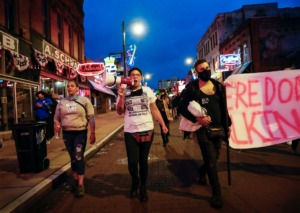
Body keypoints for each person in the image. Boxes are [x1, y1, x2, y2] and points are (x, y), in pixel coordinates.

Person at [178, 59, 231, 209]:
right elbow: (182, 108)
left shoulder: (218, 86)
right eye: (202, 69)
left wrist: (229, 125)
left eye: (207, 68)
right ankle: (216, 194)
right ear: (197, 72)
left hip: (219, 128)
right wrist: (197, 119)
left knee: (214, 158)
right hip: (203, 131)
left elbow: (224, 107)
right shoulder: (191, 88)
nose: (206, 71)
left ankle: (202, 171)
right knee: (211, 160)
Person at [116, 67, 168, 202]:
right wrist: (121, 97)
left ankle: (143, 187)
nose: (135, 77)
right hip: (130, 131)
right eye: (132, 74)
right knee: (132, 163)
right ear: (128, 78)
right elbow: (120, 111)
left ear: (141, 77)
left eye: (137, 75)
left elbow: (154, 109)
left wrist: (163, 124)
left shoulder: (147, 91)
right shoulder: (124, 91)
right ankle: (135, 181)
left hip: (147, 129)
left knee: (143, 161)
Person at [53, 80, 95, 198]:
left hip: (80, 133)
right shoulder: (62, 102)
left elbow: (91, 118)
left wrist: (93, 132)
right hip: (67, 133)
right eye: (68, 86)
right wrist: (56, 124)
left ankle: (81, 184)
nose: (70, 88)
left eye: (72, 86)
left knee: (78, 156)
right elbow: (56, 117)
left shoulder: (84, 101)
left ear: (77, 88)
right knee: (72, 157)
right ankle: (76, 180)